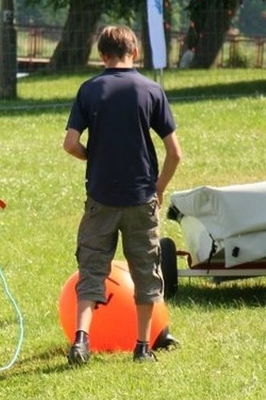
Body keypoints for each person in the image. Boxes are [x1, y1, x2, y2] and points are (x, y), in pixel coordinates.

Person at [62, 25, 182, 365]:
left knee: (92, 267)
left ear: (101, 55)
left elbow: (70, 144)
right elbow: (175, 153)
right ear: (135, 52)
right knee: (145, 270)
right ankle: (143, 346)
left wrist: (92, 156)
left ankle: (81, 340)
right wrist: (158, 189)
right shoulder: (151, 90)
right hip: (141, 195)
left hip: (100, 196)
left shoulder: (89, 90)